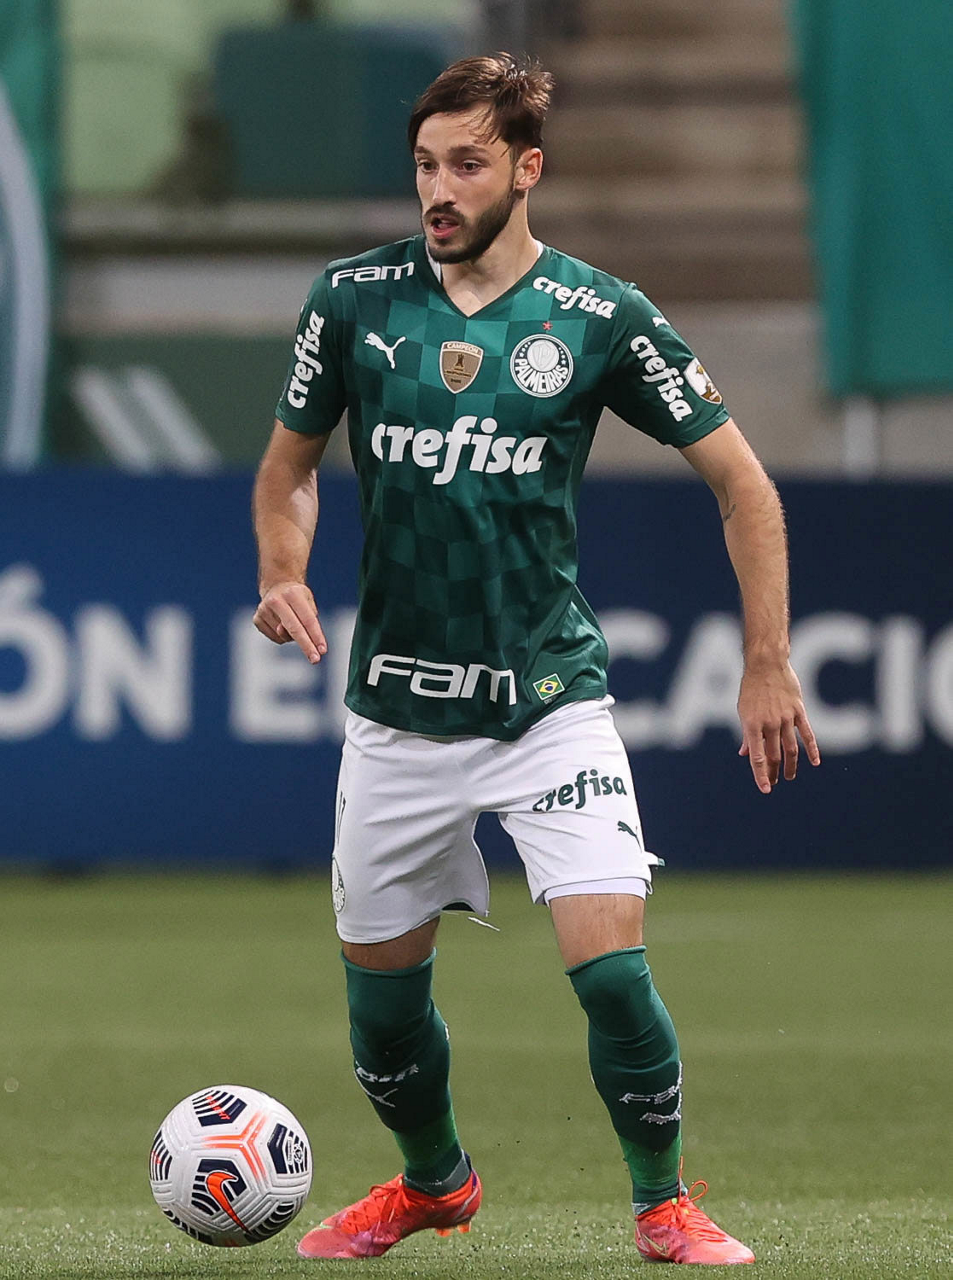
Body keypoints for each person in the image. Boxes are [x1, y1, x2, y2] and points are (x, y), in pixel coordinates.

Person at [253, 52, 820, 1266]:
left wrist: (766, 659)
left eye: (465, 165)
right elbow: (288, 469)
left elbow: (744, 487)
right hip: (398, 712)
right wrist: (281, 569)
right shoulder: (350, 301)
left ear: (526, 169)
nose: (437, 190)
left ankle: (662, 1203)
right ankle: (433, 1183)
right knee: (380, 1019)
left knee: (610, 973)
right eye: (424, 165)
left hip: (547, 701)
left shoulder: (598, 314)